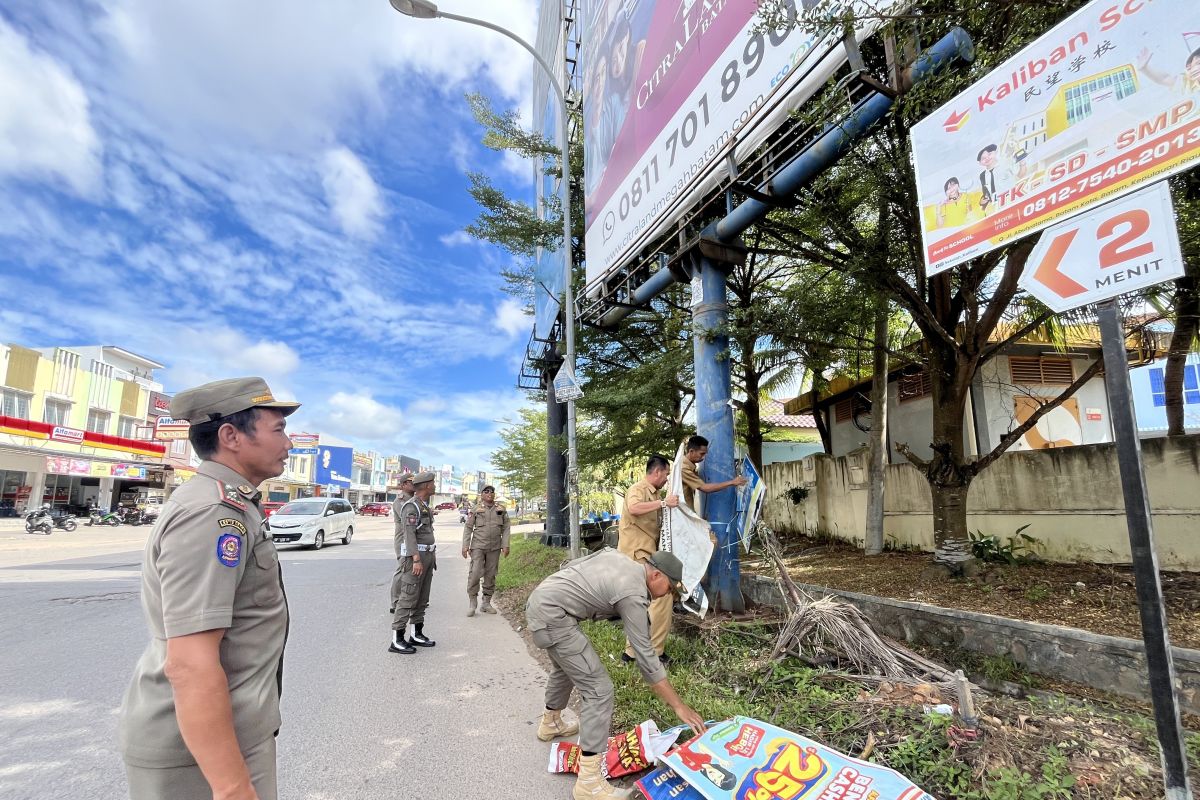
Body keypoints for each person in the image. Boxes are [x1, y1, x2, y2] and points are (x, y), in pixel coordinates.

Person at [117, 377, 299, 800]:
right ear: (231, 436)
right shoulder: (211, 514)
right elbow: (190, 664)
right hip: (199, 751)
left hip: (225, 736)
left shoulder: (231, 504)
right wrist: (232, 787)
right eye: (278, 430)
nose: (288, 443)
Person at [525, 548, 706, 800]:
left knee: (566, 667)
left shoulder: (619, 559)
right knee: (599, 690)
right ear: (656, 575)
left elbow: (571, 564)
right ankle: (589, 783)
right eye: (670, 588)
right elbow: (646, 657)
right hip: (553, 616)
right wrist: (679, 707)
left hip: (541, 602)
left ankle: (550, 723)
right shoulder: (633, 593)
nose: (668, 595)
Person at [617, 455, 677, 664]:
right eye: (666, 475)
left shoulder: (657, 494)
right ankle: (655, 653)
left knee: (641, 603)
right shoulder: (638, 489)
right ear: (657, 472)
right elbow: (633, 508)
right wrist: (662, 503)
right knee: (662, 596)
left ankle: (632, 653)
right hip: (636, 556)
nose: (666, 479)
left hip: (647, 556)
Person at [389, 471, 438, 654]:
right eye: (433, 483)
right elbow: (409, 535)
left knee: (422, 597)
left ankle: (416, 633)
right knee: (408, 597)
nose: (434, 486)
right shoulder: (411, 507)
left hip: (427, 556)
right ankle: (397, 639)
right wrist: (416, 559)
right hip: (415, 558)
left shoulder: (423, 505)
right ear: (426, 485)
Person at [461, 485, 510, 616]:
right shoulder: (476, 509)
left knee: (491, 574)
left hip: (494, 547)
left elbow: (506, 528)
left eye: (492, 491)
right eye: (486, 491)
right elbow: (468, 527)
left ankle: (486, 603)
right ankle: (472, 602)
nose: (490, 493)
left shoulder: (501, 509)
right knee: (475, 573)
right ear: (481, 494)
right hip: (478, 546)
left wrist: (506, 545)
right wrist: (465, 545)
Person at [680, 435, 748, 512]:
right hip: (681, 514)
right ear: (691, 451)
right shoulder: (683, 468)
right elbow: (705, 488)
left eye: (705, 454)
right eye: (701, 454)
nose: (703, 458)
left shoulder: (688, 466)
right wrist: (732, 482)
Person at [388, 472, 415, 614]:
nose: (414, 484)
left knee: (411, 569)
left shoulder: (414, 499)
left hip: (411, 539)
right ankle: (395, 601)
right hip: (403, 540)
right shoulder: (401, 500)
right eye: (411, 482)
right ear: (404, 484)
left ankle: (409, 598)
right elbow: (407, 520)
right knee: (402, 568)